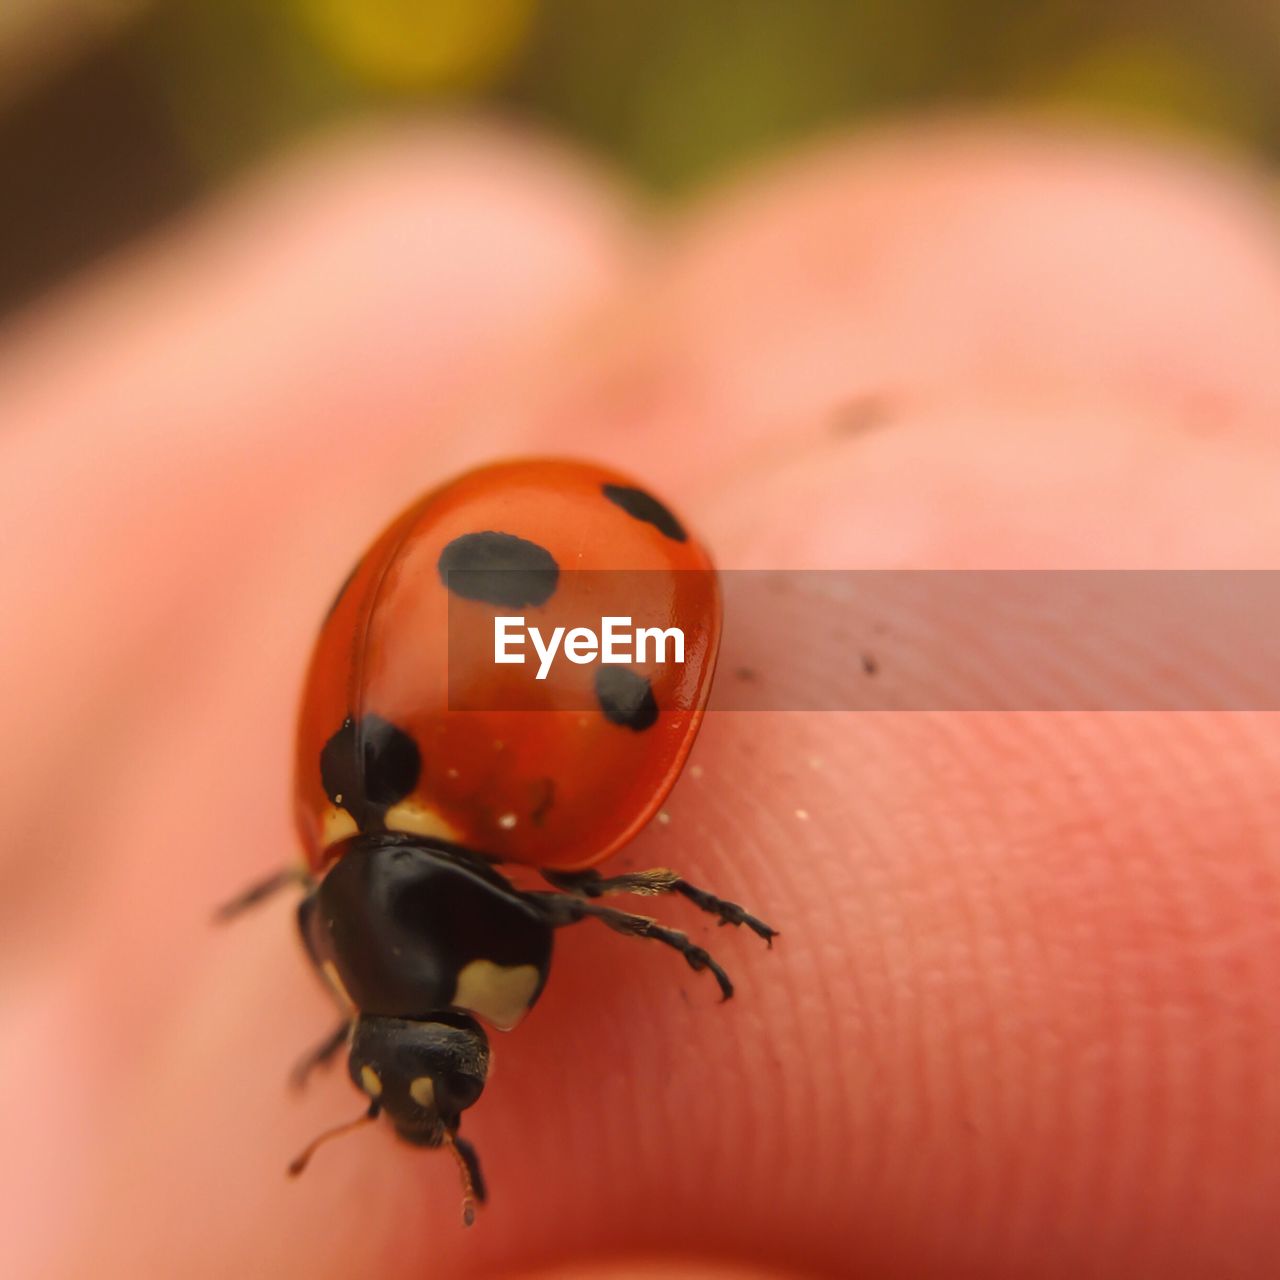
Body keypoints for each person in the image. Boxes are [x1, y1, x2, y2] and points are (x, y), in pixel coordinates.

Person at [3, 117, 1279, 1279]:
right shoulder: (364, 846)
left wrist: (642, 908)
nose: (437, 1074)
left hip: (565, 559)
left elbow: (534, 901)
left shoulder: (470, 837)